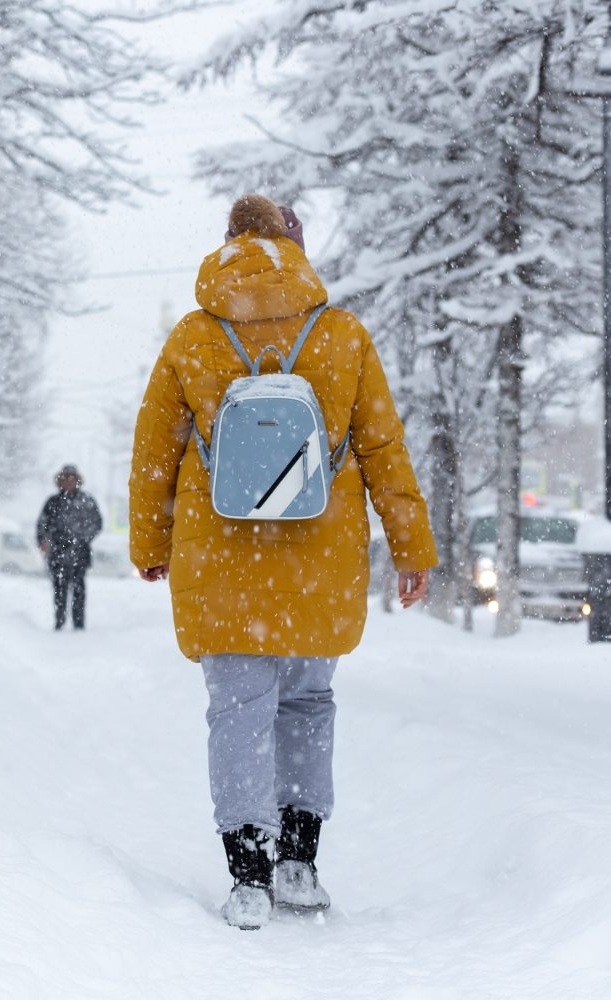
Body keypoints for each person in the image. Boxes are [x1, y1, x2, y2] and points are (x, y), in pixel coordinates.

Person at [128, 195, 437, 930]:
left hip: (222, 561)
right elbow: (383, 449)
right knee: (306, 707)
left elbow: (154, 454)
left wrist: (149, 546)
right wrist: (411, 548)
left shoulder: (194, 337)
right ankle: (299, 863)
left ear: (229, 245)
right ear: (294, 246)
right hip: (319, 563)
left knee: (236, 712)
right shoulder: (341, 334)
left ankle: (247, 876)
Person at [35, 465, 102, 630]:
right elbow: (42, 525)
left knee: (79, 589)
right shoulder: (52, 502)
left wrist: (83, 538)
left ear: (77, 481)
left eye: (72, 479)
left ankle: (79, 624)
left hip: (80, 553)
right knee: (59, 589)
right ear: (60, 481)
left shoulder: (87, 500)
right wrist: (43, 541)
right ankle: (59, 621)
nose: (68, 482)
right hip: (57, 553)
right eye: (65, 479)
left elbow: (97, 523)